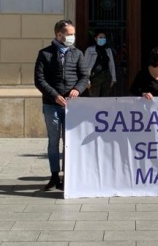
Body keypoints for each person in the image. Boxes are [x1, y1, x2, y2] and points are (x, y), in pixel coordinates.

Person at [34, 19, 89, 191]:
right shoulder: (45, 54)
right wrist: (54, 95)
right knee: (53, 141)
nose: (72, 37)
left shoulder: (77, 54)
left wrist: (77, 90)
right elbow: (39, 79)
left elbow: (84, 76)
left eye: (73, 34)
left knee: (69, 141)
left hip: (72, 106)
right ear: (59, 34)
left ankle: (68, 176)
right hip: (52, 105)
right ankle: (54, 176)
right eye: (69, 34)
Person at [84, 32, 116, 97]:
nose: (102, 39)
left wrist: (113, 78)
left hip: (106, 76)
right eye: (100, 37)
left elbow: (111, 65)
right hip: (95, 77)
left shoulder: (108, 50)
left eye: (104, 37)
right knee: (94, 99)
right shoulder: (90, 50)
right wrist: (86, 79)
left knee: (105, 99)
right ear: (95, 38)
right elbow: (85, 65)